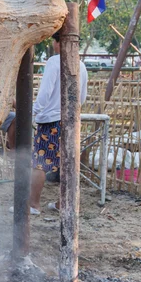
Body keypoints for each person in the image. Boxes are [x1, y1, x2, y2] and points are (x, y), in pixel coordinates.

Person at [27, 32, 88, 214]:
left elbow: (45, 94)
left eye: (54, 40)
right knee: (67, 164)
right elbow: (82, 98)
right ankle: (64, 204)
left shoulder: (54, 62)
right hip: (70, 121)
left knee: (40, 163)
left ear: (58, 43)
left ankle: (33, 205)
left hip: (50, 121)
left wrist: (35, 112)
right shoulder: (82, 66)